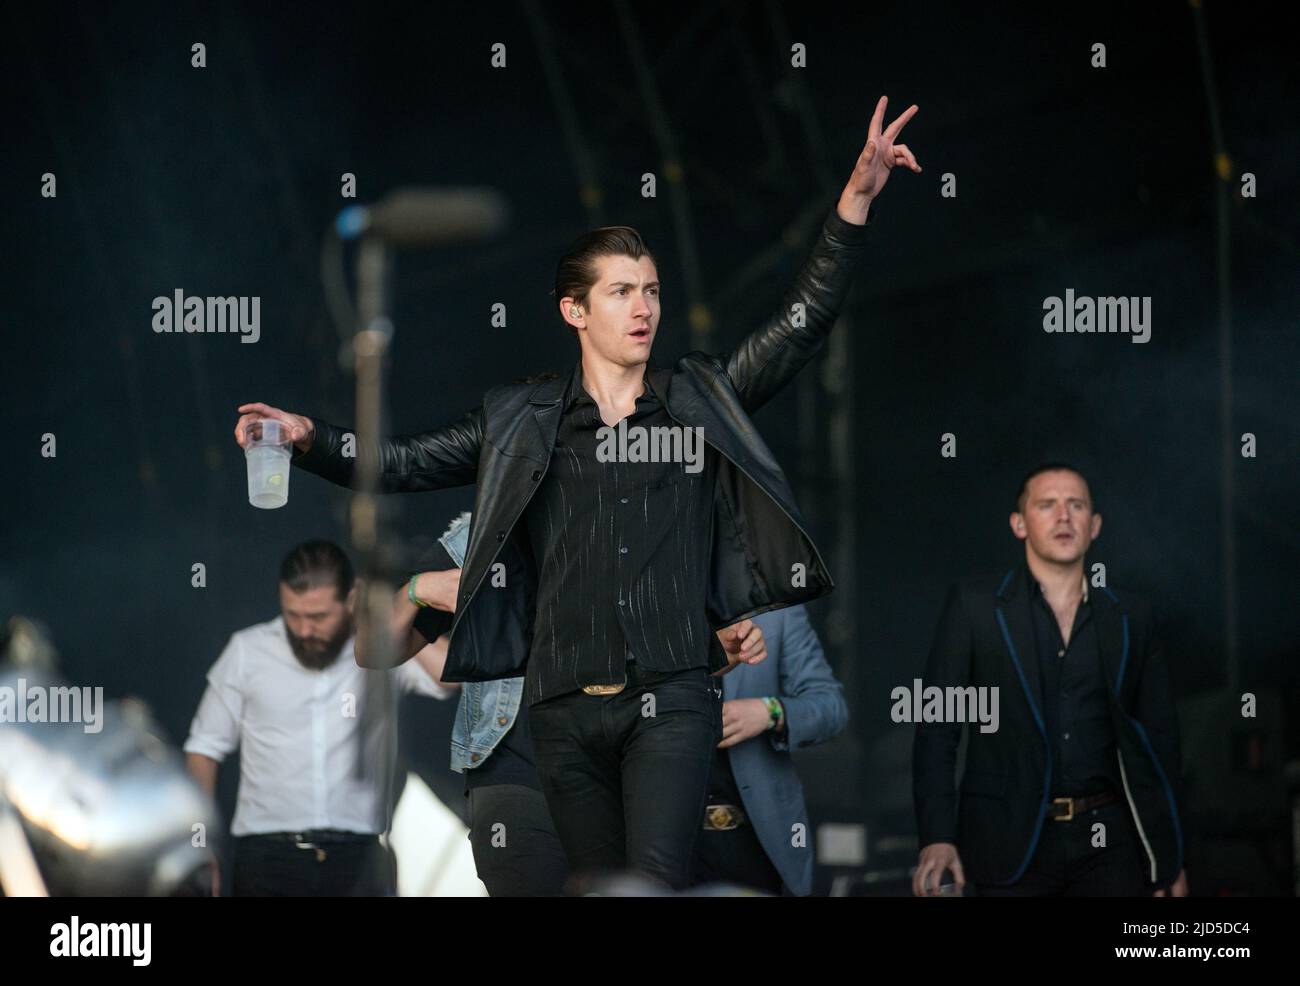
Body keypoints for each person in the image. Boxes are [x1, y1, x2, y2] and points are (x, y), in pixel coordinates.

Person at [233, 94, 920, 888]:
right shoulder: (522, 419)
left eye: (653, 290)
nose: (644, 307)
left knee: (652, 884)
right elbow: (400, 462)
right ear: (574, 310)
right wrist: (310, 437)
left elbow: (798, 328)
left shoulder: (694, 398)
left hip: (669, 699)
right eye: (623, 291)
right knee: (595, 888)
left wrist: (855, 202)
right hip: (562, 706)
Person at [389, 511, 766, 895]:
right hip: (518, 775)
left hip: (619, 774)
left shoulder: (655, 523)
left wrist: (713, 655)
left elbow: (664, 659)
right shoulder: (486, 527)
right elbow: (376, 650)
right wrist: (416, 589)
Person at [911, 464, 1188, 897]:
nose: (1063, 516)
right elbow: (937, 731)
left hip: (1110, 844)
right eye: (1047, 505)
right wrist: (937, 836)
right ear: (1019, 524)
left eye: (1076, 505)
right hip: (1007, 842)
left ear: (1094, 525)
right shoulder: (975, 606)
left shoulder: (1133, 617)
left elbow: (1161, 741)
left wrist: (1167, 858)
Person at [183, 540, 450, 896]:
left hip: (361, 857)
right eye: (294, 615)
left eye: (319, 617)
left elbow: (450, 675)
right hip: (268, 857)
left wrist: (384, 619)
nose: (305, 630)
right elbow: (203, 749)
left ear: (351, 599)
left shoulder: (381, 651)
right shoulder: (248, 651)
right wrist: (198, 846)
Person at [692, 604, 848, 895]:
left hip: (757, 838)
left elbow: (831, 707)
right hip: (665, 837)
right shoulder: (645, 599)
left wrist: (768, 712)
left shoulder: (777, 609)